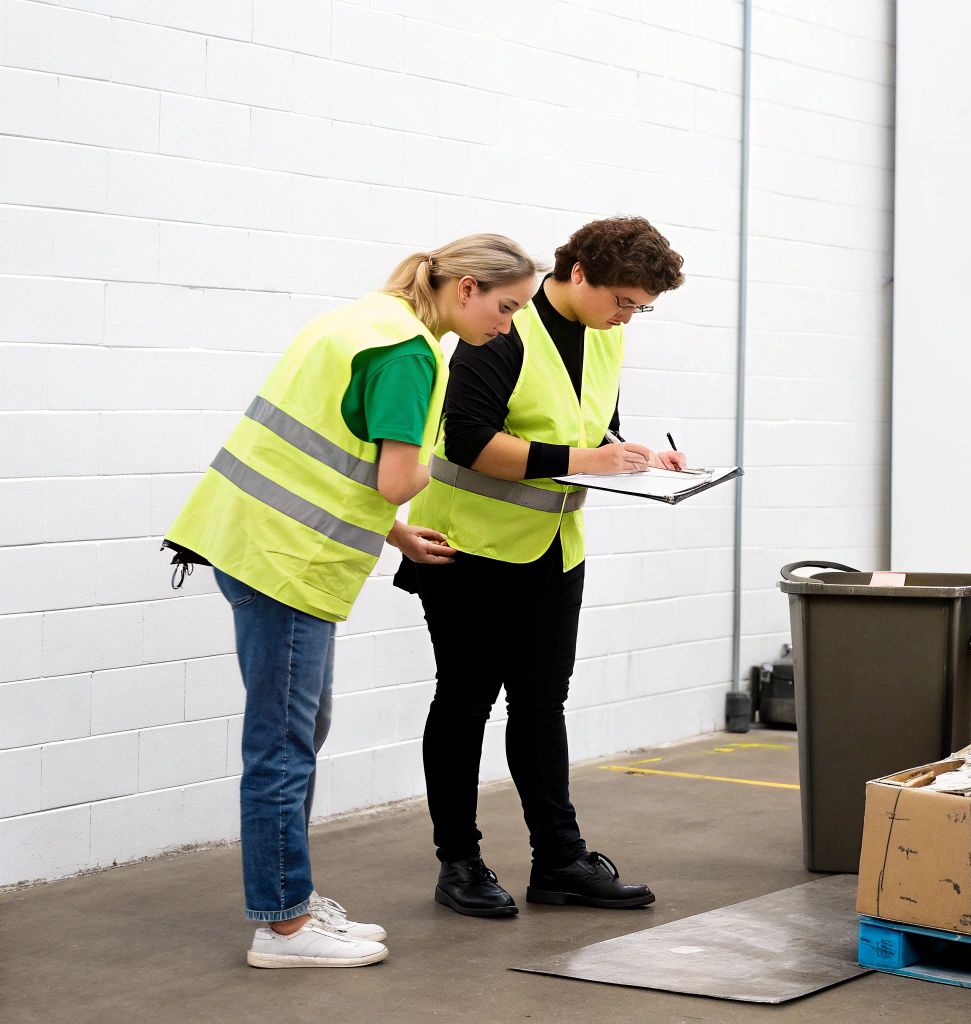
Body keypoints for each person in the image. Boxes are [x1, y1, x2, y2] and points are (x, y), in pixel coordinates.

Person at [162, 235, 543, 967]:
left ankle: (292, 903)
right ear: (466, 288)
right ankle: (282, 927)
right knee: (283, 745)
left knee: (298, 730)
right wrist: (450, 454)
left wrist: (395, 534)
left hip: (252, 540)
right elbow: (396, 475)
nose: (509, 324)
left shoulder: (365, 319)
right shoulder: (408, 353)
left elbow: (340, 449)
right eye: (506, 306)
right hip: (287, 560)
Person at [397, 216, 686, 919]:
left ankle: (558, 860)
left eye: (640, 307)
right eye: (623, 299)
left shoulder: (607, 335)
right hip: (467, 549)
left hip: (553, 549)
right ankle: (458, 861)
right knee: (465, 702)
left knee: (541, 705)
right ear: (579, 271)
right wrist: (589, 460)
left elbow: (589, 430)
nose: (628, 316)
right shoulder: (503, 330)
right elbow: (466, 441)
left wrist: (637, 453)